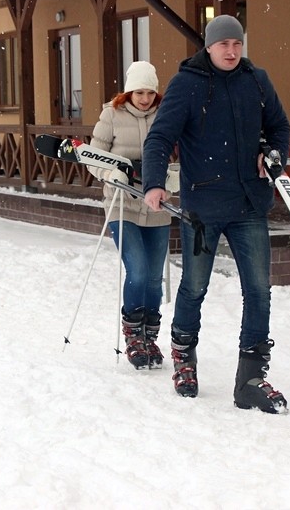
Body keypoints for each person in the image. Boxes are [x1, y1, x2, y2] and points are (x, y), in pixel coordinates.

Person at [141, 15, 290, 413]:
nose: (231, 51)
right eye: (224, 44)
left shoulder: (256, 81)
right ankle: (184, 359)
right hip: (202, 210)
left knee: (258, 290)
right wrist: (154, 182)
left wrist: (274, 155)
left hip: (249, 206)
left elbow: (279, 127)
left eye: (237, 44)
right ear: (208, 47)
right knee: (194, 287)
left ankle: (251, 379)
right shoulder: (187, 84)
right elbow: (160, 137)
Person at [88, 61, 178, 370]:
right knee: (137, 271)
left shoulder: (166, 114)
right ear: (128, 92)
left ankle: (149, 337)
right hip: (122, 205)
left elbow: (178, 155)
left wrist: (174, 178)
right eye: (139, 92)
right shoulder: (111, 115)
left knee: (154, 279)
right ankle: (132, 336)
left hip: (156, 207)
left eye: (150, 92)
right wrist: (112, 172)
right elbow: (92, 157)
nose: (144, 98)